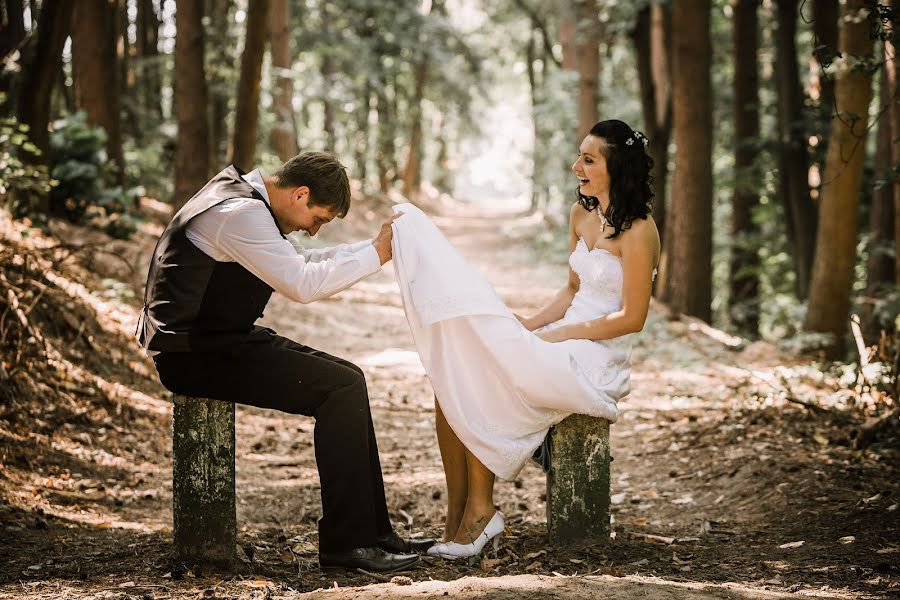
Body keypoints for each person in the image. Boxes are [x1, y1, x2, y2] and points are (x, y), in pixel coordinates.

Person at [137, 152, 431, 573]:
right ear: (300, 194)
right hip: (193, 354)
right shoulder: (239, 213)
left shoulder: (247, 203)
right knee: (339, 389)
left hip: (219, 341)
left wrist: (373, 248)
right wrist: (378, 256)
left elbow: (301, 261)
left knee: (350, 378)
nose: (313, 230)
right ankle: (346, 545)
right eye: (319, 218)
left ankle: (374, 533)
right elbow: (302, 283)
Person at [388, 119, 659, 560]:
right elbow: (572, 291)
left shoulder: (640, 230)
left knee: (478, 375)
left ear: (618, 167)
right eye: (579, 157)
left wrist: (563, 335)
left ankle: (481, 513)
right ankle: (457, 521)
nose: (576, 167)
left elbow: (632, 318)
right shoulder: (581, 215)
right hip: (560, 339)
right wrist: (529, 326)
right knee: (449, 382)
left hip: (596, 359)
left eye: (589, 160)